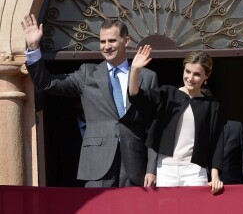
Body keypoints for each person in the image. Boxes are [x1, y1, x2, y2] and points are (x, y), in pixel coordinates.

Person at [21, 14, 158, 188]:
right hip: (97, 163)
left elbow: (154, 126)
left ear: (126, 41)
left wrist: (152, 168)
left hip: (135, 164)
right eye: (102, 42)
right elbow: (46, 83)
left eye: (112, 41)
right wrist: (33, 48)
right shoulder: (87, 73)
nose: (106, 47)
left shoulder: (147, 77)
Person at [128, 45, 224, 195]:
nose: (190, 78)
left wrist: (215, 176)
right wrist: (134, 71)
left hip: (195, 171)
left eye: (197, 74)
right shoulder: (167, 94)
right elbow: (136, 97)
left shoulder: (212, 105)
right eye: (187, 71)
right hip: (166, 169)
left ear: (207, 76)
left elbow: (217, 142)